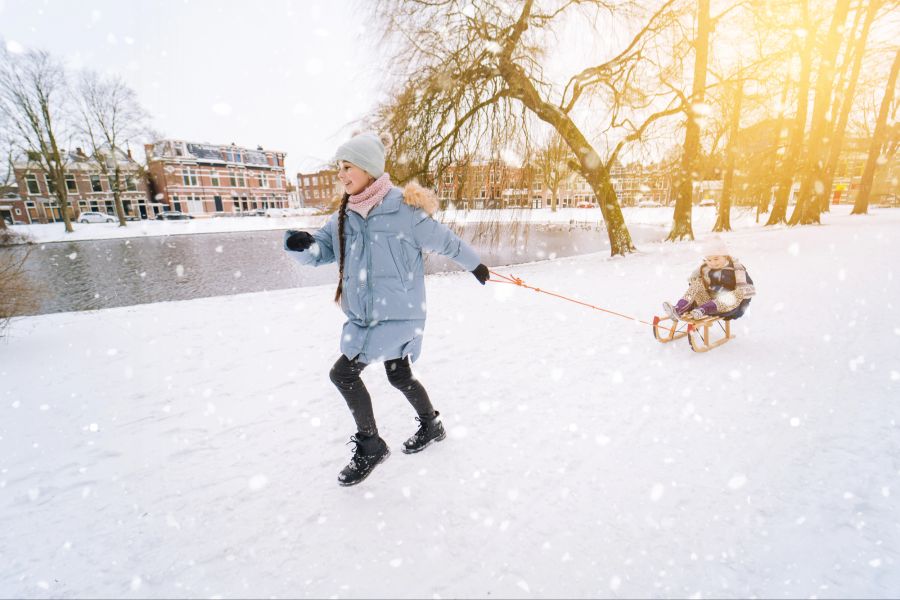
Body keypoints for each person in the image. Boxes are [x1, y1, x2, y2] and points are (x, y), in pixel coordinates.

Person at [285, 132, 490, 486]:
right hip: (365, 316)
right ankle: (432, 425)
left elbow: (446, 242)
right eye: (339, 168)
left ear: (367, 168)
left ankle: (371, 445)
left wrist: (475, 265)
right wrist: (300, 244)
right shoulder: (343, 216)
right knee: (398, 374)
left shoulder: (403, 209)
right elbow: (321, 251)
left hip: (400, 314)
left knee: (343, 374)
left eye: (347, 167)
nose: (341, 175)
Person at [662, 236, 755, 321]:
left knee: (740, 291)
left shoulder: (736, 269)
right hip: (705, 303)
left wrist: (741, 309)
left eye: (716, 259)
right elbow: (694, 289)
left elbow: (747, 292)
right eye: (709, 260)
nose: (713, 263)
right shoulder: (705, 269)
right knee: (697, 282)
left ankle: (704, 309)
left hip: (729, 306)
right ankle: (679, 309)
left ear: (725, 256)